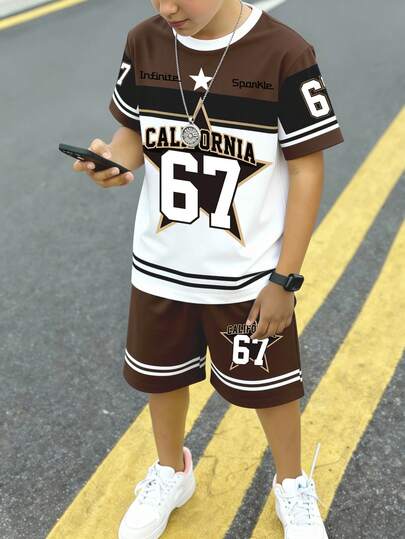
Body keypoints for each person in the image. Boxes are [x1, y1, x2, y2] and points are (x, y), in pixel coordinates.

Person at [73, 1, 344, 537]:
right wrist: (114, 162)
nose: (167, 7)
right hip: (161, 265)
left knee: (272, 388)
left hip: (248, 273)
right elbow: (134, 133)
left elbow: (307, 169)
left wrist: (284, 279)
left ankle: (291, 482)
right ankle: (171, 472)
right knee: (162, 379)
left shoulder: (285, 52)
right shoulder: (145, 40)